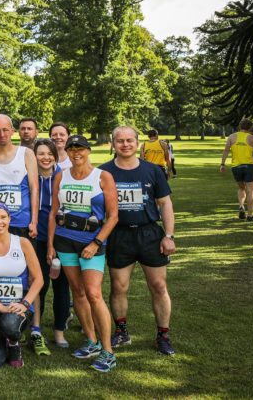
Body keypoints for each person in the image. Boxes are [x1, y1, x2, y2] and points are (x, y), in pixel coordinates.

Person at [102, 126, 177, 356]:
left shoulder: (153, 170)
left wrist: (169, 235)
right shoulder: (103, 172)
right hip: (119, 235)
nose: (125, 144)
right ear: (113, 144)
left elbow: (165, 204)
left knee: (158, 286)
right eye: (120, 141)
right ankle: (121, 330)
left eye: (129, 140)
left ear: (137, 142)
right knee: (119, 287)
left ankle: (163, 335)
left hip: (149, 234)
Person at [47, 134, 119, 372]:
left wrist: (96, 243)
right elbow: (53, 213)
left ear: (88, 151)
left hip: (91, 244)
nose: (76, 153)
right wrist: (50, 245)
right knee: (77, 292)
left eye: (80, 149)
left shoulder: (103, 176)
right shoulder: (61, 175)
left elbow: (113, 216)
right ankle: (92, 340)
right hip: (65, 241)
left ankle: (108, 351)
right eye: (71, 149)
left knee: (93, 294)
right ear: (66, 152)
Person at [0, 201, 44, 368]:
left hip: (18, 306)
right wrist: (1, 307)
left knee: (10, 325)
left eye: (3, 217)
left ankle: (13, 344)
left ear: (9, 219)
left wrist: (25, 304)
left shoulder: (23, 243)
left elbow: (39, 278)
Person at [32, 138, 72, 349]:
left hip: (60, 238)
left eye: (49, 153)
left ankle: (59, 331)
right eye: (41, 153)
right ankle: (35, 329)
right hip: (35, 238)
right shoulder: (28, 176)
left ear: (55, 156)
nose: (45, 157)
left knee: (62, 285)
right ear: (34, 156)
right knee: (39, 285)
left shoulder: (64, 176)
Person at [0, 114, 39, 239]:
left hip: (21, 222)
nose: (2, 134)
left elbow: (34, 189)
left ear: (12, 131)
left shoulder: (26, 154)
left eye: (5, 130)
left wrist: (34, 221)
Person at [220, 118, 253, 220]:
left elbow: (226, 150)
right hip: (249, 166)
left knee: (241, 188)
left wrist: (222, 164)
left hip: (236, 167)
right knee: (251, 190)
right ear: (250, 127)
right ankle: (250, 215)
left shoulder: (231, 137)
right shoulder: (252, 138)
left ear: (240, 126)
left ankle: (241, 206)